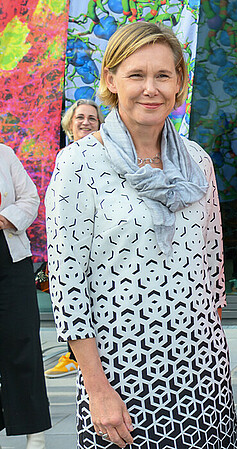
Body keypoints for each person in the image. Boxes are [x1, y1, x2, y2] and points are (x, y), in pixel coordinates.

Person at [46, 22, 237, 448]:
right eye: (136, 75)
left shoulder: (198, 161)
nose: (150, 88)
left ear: (179, 84)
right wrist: (96, 388)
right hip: (122, 378)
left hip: (202, 379)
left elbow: (212, 270)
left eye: (162, 76)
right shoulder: (79, 164)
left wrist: (213, 357)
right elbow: (68, 287)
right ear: (111, 81)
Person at [45, 98, 104, 379]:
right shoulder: (66, 158)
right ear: (70, 124)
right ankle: (73, 354)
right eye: (80, 117)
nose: (86, 122)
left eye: (92, 118)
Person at [0, 143, 50, 448]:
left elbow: (30, 198)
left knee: (22, 341)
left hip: (10, 258)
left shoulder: (4, 154)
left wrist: (4, 219)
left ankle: (35, 432)